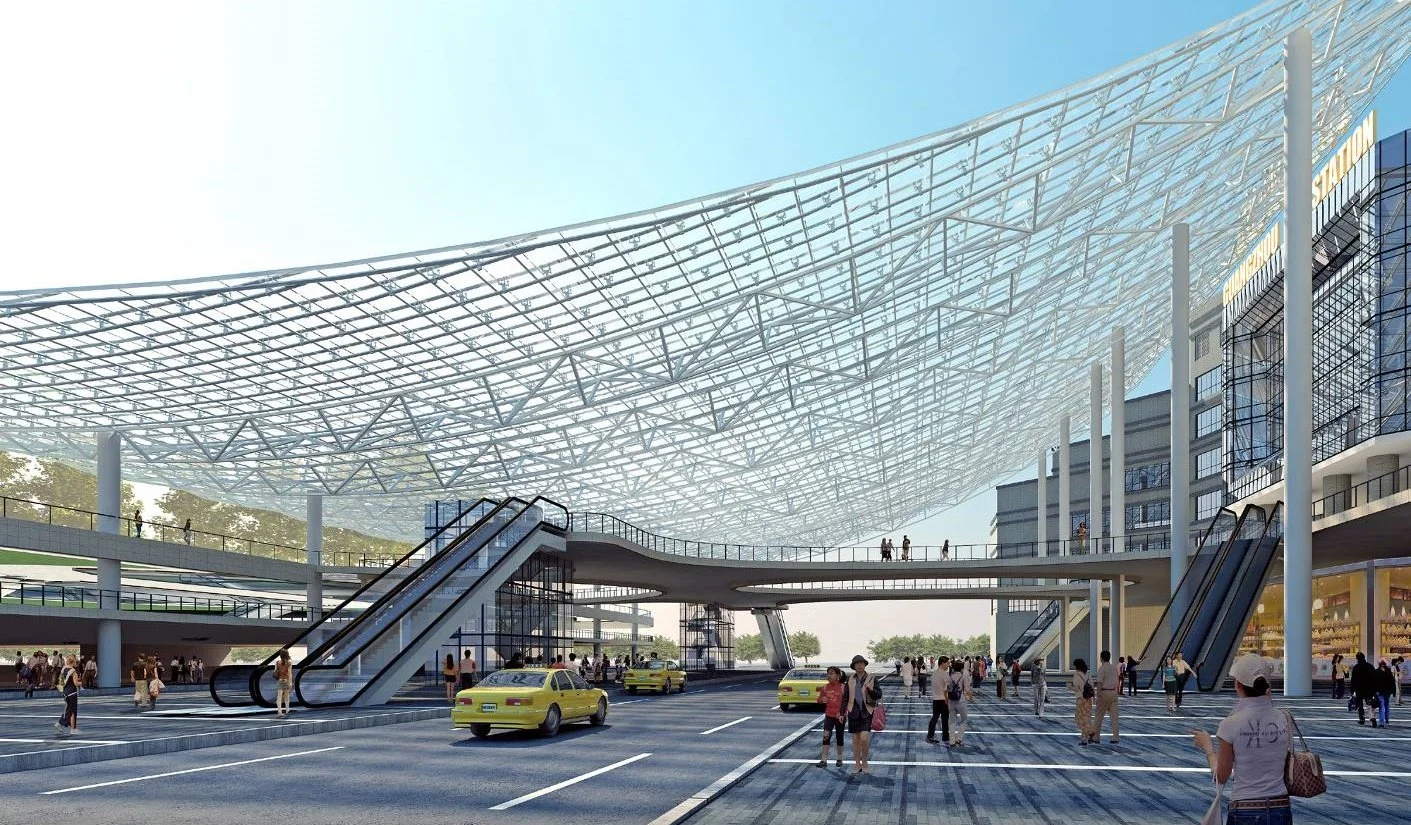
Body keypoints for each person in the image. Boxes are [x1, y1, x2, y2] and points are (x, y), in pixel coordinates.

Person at [1191, 654, 1292, 824]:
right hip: (1280, 806)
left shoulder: (1230, 724)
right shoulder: (1284, 718)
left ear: (1237, 685)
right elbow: (1267, 707)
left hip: (1246, 807)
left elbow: (1221, 777)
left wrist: (1208, 748)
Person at [841, 655, 881, 774]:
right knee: (855, 740)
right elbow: (845, 697)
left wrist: (870, 689)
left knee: (864, 738)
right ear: (854, 666)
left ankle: (865, 762)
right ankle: (857, 764)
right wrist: (842, 712)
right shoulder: (850, 680)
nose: (859, 665)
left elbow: (879, 695)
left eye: (861, 663)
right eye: (857, 663)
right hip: (853, 712)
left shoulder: (871, 679)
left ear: (865, 664)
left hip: (866, 712)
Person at [815, 666, 845, 768]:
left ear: (837, 675)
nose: (829, 675)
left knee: (839, 737)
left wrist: (842, 714)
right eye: (828, 673)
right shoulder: (825, 687)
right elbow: (818, 700)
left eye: (831, 673)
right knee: (826, 736)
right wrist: (822, 700)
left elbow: (848, 702)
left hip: (840, 716)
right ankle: (823, 760)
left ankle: (839, 758)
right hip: (829, 716)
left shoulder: (843, 687)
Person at [1094, 650, 1120, 744]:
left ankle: (1096, 737)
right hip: (1114, 692)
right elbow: (1117, 681)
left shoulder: (1102, 669)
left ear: (1101, 658)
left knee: (1099, 716)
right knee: (1114, 717)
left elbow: (1100, 682)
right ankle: (1115, 737)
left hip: (1104, 692)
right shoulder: (1114, 668)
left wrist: (1098, 694)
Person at [1071, 658, 1098, 745]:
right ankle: (1084, 739)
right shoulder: (1088, 674)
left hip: (1080, 699)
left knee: (1079, 718)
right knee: (1087, 718)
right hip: (1088, 699)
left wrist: (1069, 687)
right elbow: (1092, 686)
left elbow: (1076, 688)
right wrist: (1094, 697)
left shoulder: (1076, 675)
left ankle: (1090, 732)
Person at [926, 655, 951, 744]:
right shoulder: (945, 674)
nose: (948, 665)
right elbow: (947, 688)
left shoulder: (934, 673)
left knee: (935, 718)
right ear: (943, 663)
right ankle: (945, 736)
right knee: (945, 719)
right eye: (947, 663)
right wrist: (947, 699)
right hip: (943, 699)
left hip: (936, 699)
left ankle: (929, 736)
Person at [1350, 651, 1378, 726]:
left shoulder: (1356, 667)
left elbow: (1353, 680)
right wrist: (1374, 689)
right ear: (1364, 657)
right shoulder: (1370, 666)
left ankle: (1362, 719)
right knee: (1369, 703)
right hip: (1369, 689)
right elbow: (1375, 678)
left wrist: (1352, 690)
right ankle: (1372, 718)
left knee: (1360, 705)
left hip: (1359, 689)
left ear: (1357, 659)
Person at [54, 654, 79, 736]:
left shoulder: (63, 668)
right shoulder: (73, 671)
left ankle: (73, 729)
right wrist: (81, 683)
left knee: (69, 710)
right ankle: (60, 723)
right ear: (74, 661)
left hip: (65, 692)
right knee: (72, 711)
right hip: (72, 693)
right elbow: (76, 683)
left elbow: (61, 682)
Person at [946, 659, 969, 747]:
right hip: (961, 700)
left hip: (951, 700)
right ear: (961, 668)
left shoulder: (950, 676)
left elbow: (947, 688)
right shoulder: (963, 676)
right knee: (964, 719)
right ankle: (959, 739)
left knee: (952, 721)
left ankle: (952, 741)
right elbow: (967, 689)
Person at [273, 649, 294, 718]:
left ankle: (279, 711)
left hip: (279, 681)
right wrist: (290, 682)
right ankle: (287, 710)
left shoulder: (277, 662)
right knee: (286, 697)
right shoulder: (289, 662)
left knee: (279, 697)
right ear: (287, 654)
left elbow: (275, 672)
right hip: (286, 681)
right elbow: (290, 674)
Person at [1375, 659, 1395, 728]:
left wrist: (1374, 691)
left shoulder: (1376, 671)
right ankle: (1387, 719)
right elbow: (1392, 682)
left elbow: (1374, 683)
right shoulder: (1388, 671)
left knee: (1381, 706)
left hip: (1380, 692)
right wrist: (1393, 691)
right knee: (1387, 705)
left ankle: (1381, 722)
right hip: (1387, 691)